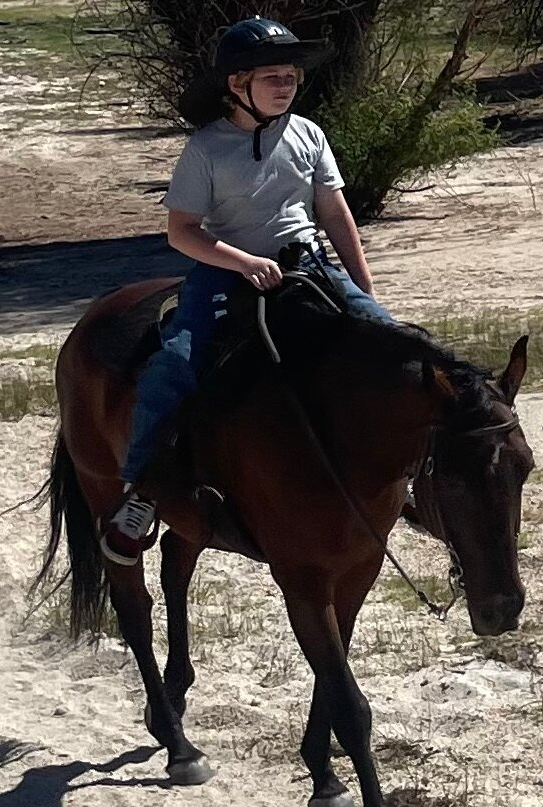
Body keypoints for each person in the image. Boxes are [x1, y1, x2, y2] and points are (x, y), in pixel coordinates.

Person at [101, 16, 394, 566]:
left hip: (307, 265)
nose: (286, 85)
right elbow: (181, 231)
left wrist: (363, 290)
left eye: (291, 76)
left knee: (392, 343)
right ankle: (141, 490)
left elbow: (334, 213)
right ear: (238, 85)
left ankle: (409, 473)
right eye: (273, 77)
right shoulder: (208, 148)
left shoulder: (309, 135)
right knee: (176, 364)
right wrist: (243, 261)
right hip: (223, 271)